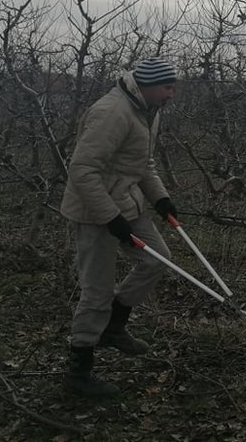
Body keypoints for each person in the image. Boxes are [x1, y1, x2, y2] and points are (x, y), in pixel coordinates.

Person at [60, 58, 181, 397]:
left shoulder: (146, 111)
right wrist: (110, 218)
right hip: (93, 210)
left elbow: (142, 164)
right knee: (97, 292)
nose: (171, 94)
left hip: (127, 203)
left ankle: (113, 327)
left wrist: (161, 199)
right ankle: (78, 371)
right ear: (148, 86)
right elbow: (82, 170)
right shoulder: (112, 112)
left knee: (156, 259)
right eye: (167, 87)